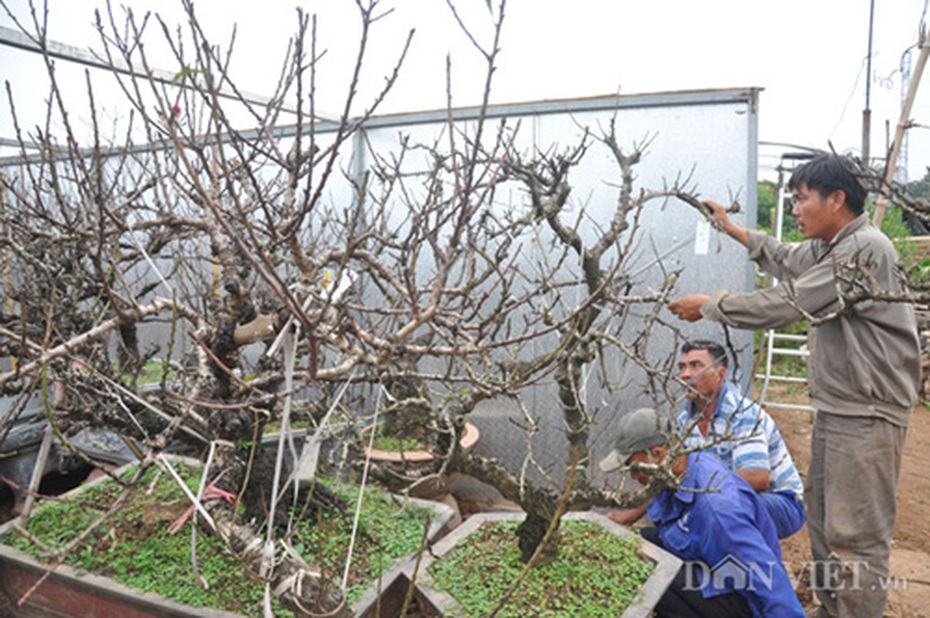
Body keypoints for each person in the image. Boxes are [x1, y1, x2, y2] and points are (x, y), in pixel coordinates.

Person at [667, 153, 920, 618]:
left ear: (836, 198)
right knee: (825, 524)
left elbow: (789, 302)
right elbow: (785, 259)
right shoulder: (830, 246)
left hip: (868, 413)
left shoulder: (863, 248)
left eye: (801, 199)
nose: (796, 209)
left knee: (857, 535)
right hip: (841, 408)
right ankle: (832, 609)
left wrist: (711, 306)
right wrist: (730, 228)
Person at [599, 407, 805, 618]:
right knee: (636, 544)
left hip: (737, 600)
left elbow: (769, 581)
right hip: (708, 569)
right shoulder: (681, 467)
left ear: (658, 454)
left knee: (650, 573)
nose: (633, 477)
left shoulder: (718, 511)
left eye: (635, 468)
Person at [676, 339, 805, 540]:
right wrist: (626, 517)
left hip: (781, 502)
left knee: (720, 510)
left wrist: (699, 499)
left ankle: (757, 567)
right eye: (682, 367)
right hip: (723, 497)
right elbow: (674, 473)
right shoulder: (684, 422)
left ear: (720, 375)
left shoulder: (742, 413)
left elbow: (756, 478)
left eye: (696, 366)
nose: (685, 375)